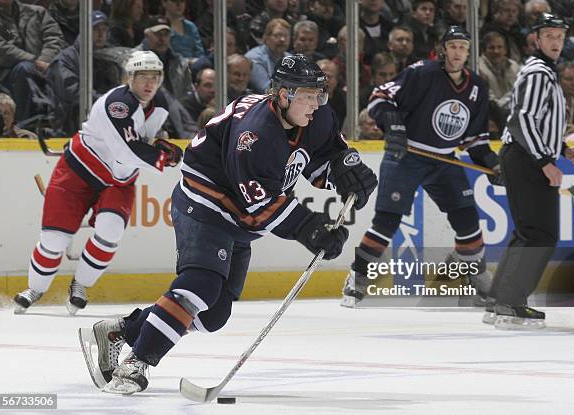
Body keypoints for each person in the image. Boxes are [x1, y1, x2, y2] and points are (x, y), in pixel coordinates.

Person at [80, 54, 377, 395]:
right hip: (205, 204)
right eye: (307, 96)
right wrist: (310, 227)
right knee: (200, 286)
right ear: (283, 95)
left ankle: (122, 330)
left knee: (212, 316)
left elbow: (321, 157)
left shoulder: (317, 117)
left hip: (241, 220)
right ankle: (136, 363)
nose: (316, 104)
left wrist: (345, 173)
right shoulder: (255, 134)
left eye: (318, 95)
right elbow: (260, 203)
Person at [341, 26, 504, 307]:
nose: (457, 52)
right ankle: (358, 276)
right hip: (406, 156)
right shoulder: (421, 73)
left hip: (444, 159)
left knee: (467, 220)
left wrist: (491, 163)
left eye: (462, 47)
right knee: (387, 221)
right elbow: (380, 98)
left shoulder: (477, 86)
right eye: (452, 46)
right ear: (442, 49)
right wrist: (393, 125)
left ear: (468, 51)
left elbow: (474, 139)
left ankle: (474, 275)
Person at [13, 51, 183, 315]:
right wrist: (162, 156)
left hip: (118, 179)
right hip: (78, 170)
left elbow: (141, 140)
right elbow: (126, 150)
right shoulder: (117, 103)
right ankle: (35, 288)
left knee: (111, 231)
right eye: (142, 78)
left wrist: (158, 144)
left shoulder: (159, 102)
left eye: (155, 77)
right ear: (130, 78)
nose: (149, 84)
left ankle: (80, 285)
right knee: (54, 240)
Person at [484, 13, 574, 330]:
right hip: (526, 158)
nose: (556, 42)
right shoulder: (538, 72)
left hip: (526, 155)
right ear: (536, 40)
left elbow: (536, 121)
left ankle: (501, 300)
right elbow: (522, 120)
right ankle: (510, 302)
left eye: (560, 36)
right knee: (540, 233)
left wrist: (561, 148)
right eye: (549, 36)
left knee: (529, 231)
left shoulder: (544, 73)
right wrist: (545, 161)